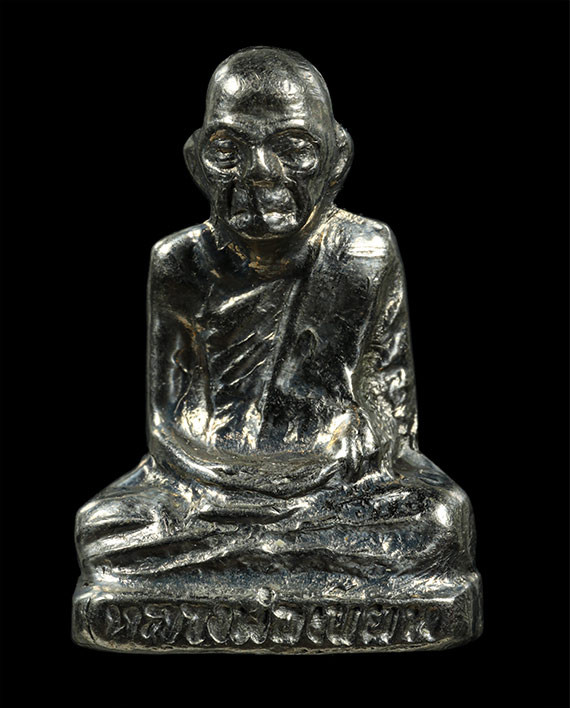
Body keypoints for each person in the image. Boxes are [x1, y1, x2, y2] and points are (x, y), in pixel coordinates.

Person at [76, 48, 475, 586]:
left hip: (333, 481)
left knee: (440, 519)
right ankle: (277, 553)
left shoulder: (365, 251)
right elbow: (163, 422)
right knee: (105, 526)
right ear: (195, 160)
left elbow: (394, 406)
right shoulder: (178, 262)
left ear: (337, 159)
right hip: (209, 484)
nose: (261, 172)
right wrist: (237, 482)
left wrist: (350, 451)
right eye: (228, 150)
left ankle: (240, 558)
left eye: (293, 148)